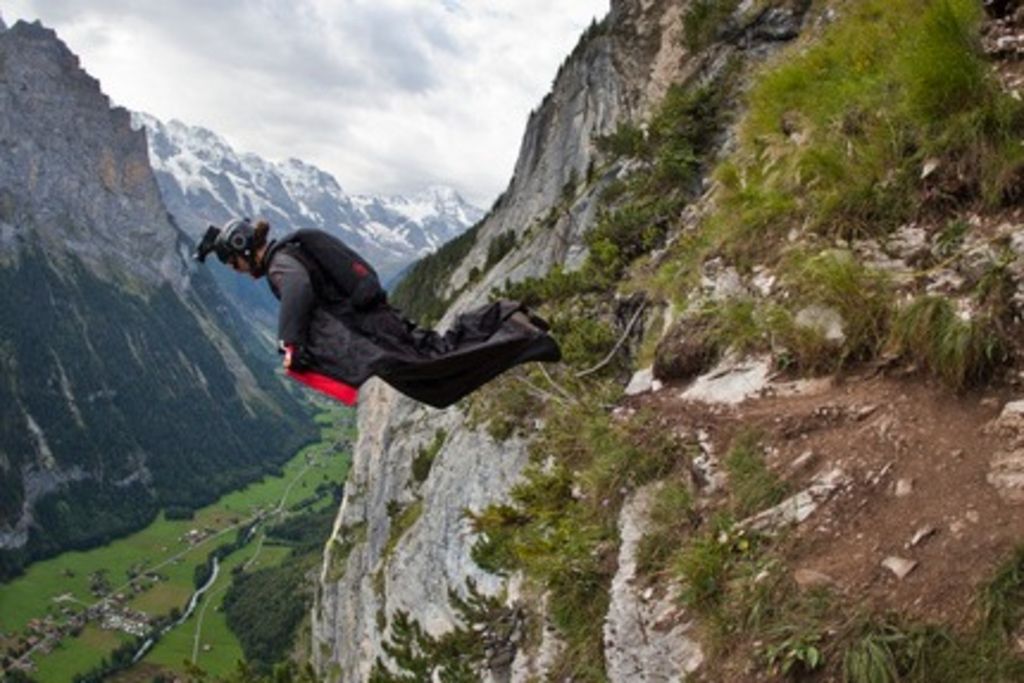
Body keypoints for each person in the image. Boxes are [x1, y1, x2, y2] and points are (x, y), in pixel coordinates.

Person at [194, 217, 561, 408]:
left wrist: (290, 341)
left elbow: (299, 288)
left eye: (232, 262)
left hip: (371, 331)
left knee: (435, 377)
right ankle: (509, 323)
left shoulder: (281, 264)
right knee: (437, 361)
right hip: (376, 322)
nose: (235, 270)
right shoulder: (291, 254)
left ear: (242, 249)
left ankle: (519, 332)